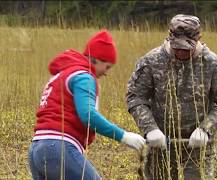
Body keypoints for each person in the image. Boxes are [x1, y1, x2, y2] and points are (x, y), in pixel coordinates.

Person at [126, 14, 217, 179]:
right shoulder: (151, 61)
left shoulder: (213, 64)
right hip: (160, 144)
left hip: (198, 145)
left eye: (186, 48)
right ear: (170, 39)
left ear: (198, 40)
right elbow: (135, 97)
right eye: (177, 47)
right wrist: (150, 129)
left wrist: (206, 128)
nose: (181, 52)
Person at [28, 30, 146, 180]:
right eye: (107, 66)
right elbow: (88, 115)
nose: (106, 73)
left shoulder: (61, 75)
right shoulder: (84, 77)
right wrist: (123, 136)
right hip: (58, 148)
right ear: (96, 59)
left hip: (36, 150)